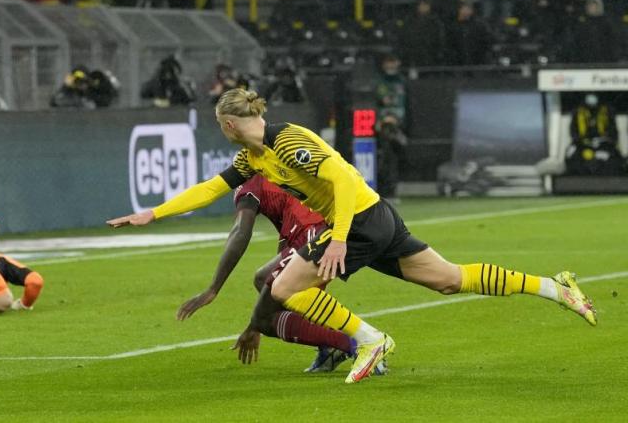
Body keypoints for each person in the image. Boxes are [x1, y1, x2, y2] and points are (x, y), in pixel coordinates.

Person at [108, 88, 597, 384]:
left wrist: (339, 237)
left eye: (221, 126)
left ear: (230, 123)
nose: (222, 131)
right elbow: (210, 188)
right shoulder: (252, 156)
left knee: (285, 287)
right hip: (376, 217)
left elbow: (343, 178)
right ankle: (555, 288)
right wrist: (156, 213)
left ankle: (370, 340)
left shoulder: (287, 141)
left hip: (358, 220)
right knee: (449, 279)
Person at [177, 175, 371, 373]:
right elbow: (284, 249)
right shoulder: (277, 171)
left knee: (265, 316)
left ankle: (359, 345)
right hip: (330, 229)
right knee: (264, 280)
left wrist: (213, 289)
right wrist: (254, 323)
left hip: (314, 236)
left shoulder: (250, 179)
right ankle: (331, 347)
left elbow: (240, 232)